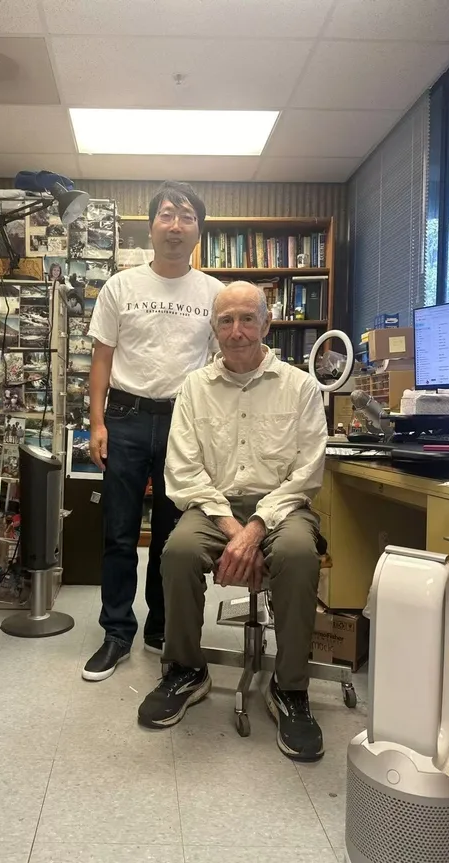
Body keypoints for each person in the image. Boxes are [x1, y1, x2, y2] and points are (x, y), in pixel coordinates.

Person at [137, 282, 329, 762]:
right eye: (226, 321)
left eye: (248, 319)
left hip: (282, 507)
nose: (237, 331)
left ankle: (290, 688)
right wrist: (233, 533)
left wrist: (256, 529)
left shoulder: (301, 386)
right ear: (214, 329)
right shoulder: (195, 389)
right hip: (214, 505)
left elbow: (307, 473)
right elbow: (183, 471)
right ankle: (185, 669)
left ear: (267, 324)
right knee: (177, 551)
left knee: (298, 554)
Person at [82, 181, 224, 682]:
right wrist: (97, 421)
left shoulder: (214, 294)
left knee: (172, 535)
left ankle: (161, 628)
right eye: (167, 214)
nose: (176, 225)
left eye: (187, 217)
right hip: (123, 417)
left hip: (184, 422)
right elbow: (102, 358)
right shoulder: (121, 286)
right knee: (118, 533)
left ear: (198, 231)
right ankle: (116, 631)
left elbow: (224, 363)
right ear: (151, 225)